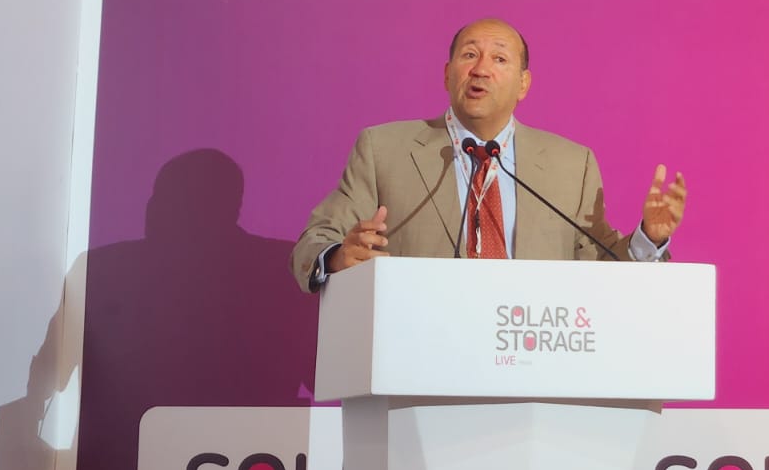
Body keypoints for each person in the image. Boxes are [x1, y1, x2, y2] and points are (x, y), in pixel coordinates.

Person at [291, 18, 686, 290]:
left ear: (523, 84)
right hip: (421, 356)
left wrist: (649, 238)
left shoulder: (571, 165)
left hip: (529, 356)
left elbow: (603, 267)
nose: (480, 70)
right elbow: (316, 240)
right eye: (469, 55)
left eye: (499, 58)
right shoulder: (384, 150)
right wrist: (339, 257)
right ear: (447, 74)